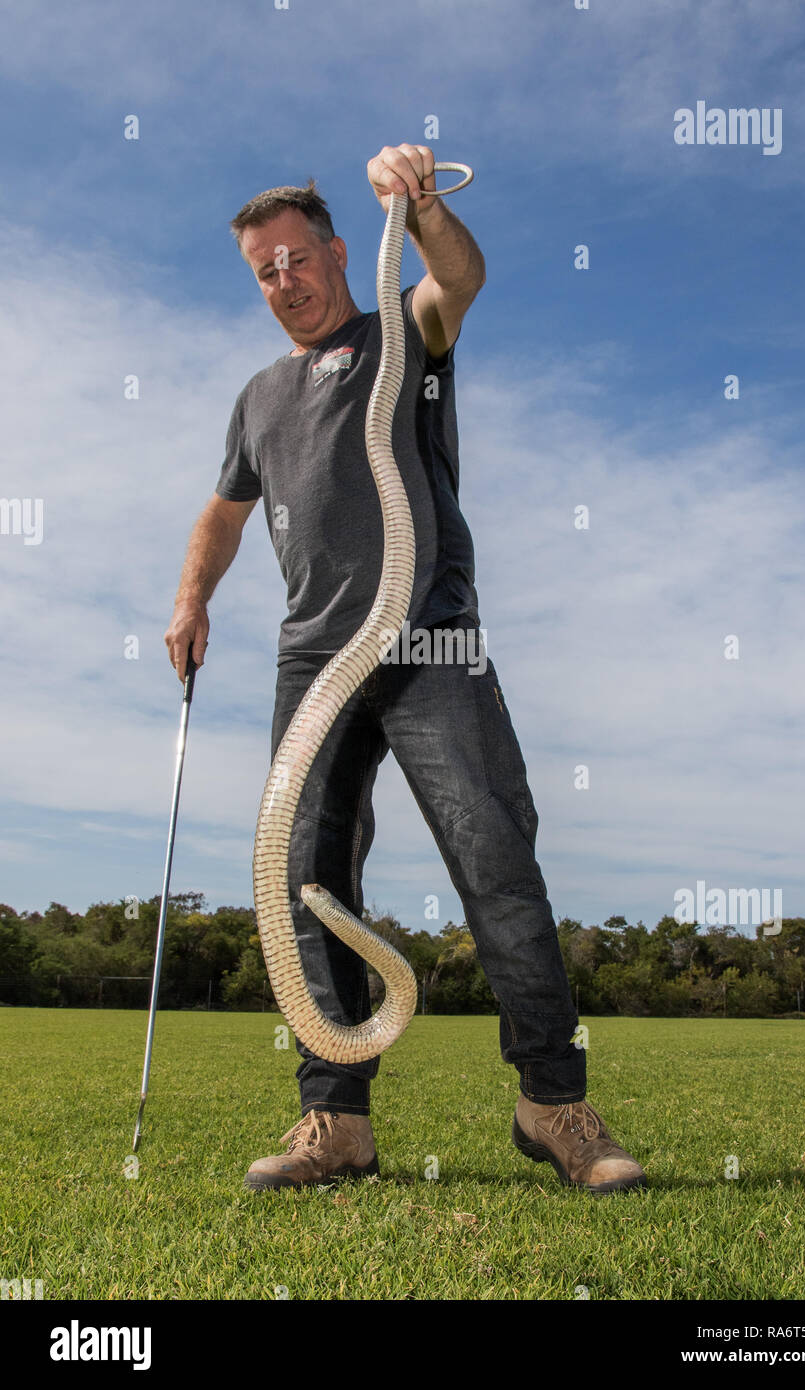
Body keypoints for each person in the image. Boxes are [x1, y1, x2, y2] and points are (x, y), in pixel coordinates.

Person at [164, 143, 646, 1196]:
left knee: (494, 861)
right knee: (307, 883)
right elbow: (222, 508)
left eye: (294, 256)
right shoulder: (256, 399)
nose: (282, 279)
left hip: (427, 640)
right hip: (312, 661)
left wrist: (419, 204)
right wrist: (193, 594)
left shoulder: (401, 333)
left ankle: (551, 1103)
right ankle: (334, 1121)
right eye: (262, 269)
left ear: (338, 252)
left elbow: (460, 280)